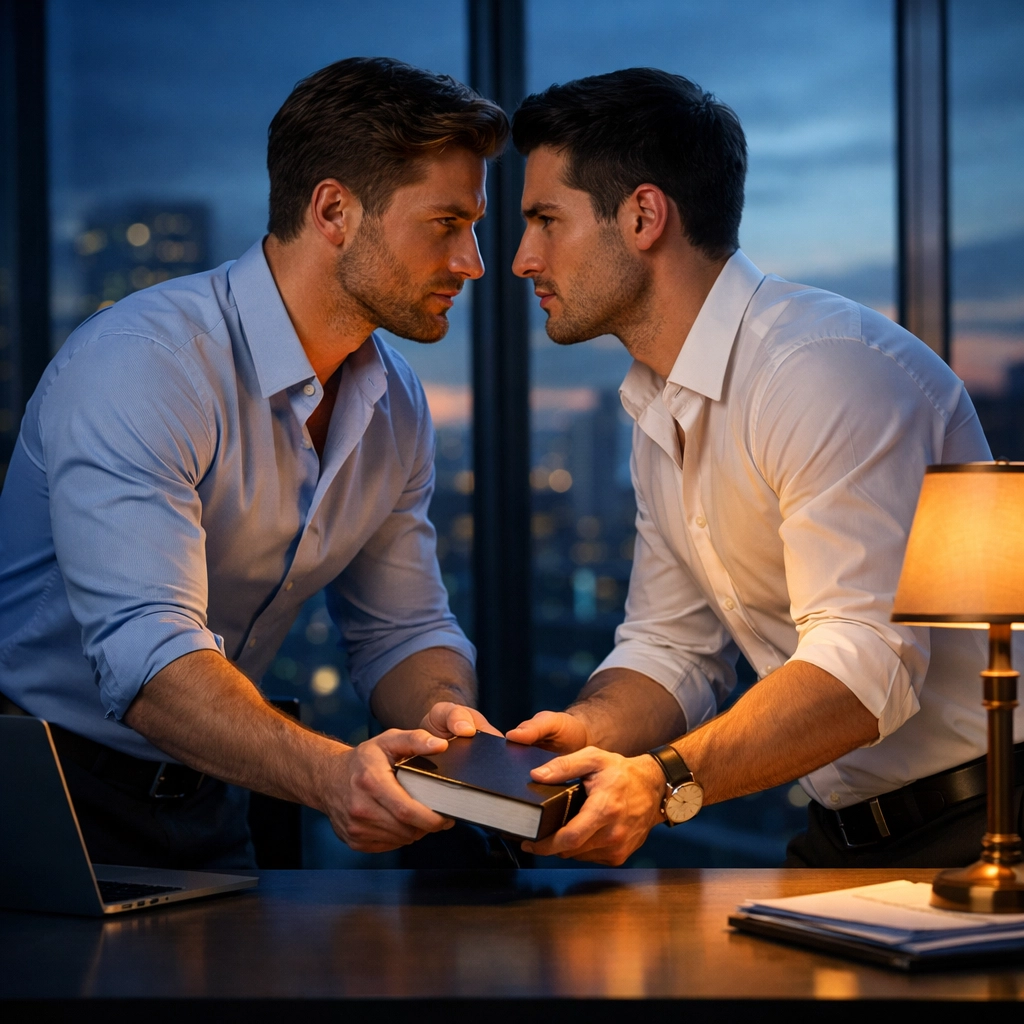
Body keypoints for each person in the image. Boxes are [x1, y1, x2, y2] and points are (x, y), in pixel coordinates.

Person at [506, 67, 1023, 868]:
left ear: (643, 216)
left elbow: (863, 667)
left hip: (990, 822)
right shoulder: (659, 405)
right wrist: (590, 733)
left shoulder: (820, 370)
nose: (522, 259)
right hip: (845, 832)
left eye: (546, 220)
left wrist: (663, 781)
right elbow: (672, 647)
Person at [0, 57, 508, 870]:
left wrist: (444, 720)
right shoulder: (148, 362)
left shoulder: (398, 402)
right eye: (446, 223)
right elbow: (147, 660)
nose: (472, 261)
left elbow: (402, 629)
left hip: (215, 793)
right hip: (45, 796)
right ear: (334, 210)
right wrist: (332, 776)